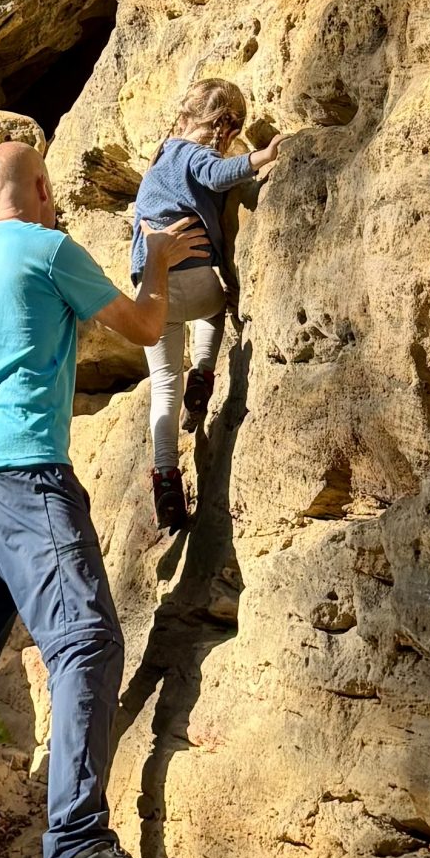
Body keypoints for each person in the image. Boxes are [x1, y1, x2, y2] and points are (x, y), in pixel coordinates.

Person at [0, 138, 207, 858]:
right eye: (52, 192)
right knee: (86, 638)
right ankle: (78, 845)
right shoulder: (47, 248)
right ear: (37, 190)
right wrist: (159, 261)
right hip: (28, 477)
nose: (55, 203)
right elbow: (143, 326)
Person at [130, 78, 282, 535]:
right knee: (215, 310)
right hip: (193, 280)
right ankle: (203, 371)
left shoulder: (160, 157)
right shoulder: (192, 154)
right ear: (224, 129)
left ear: (184, 116)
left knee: (163, 385)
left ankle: (165, 477)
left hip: (150, 290)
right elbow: (217, 174)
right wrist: (261, 158)